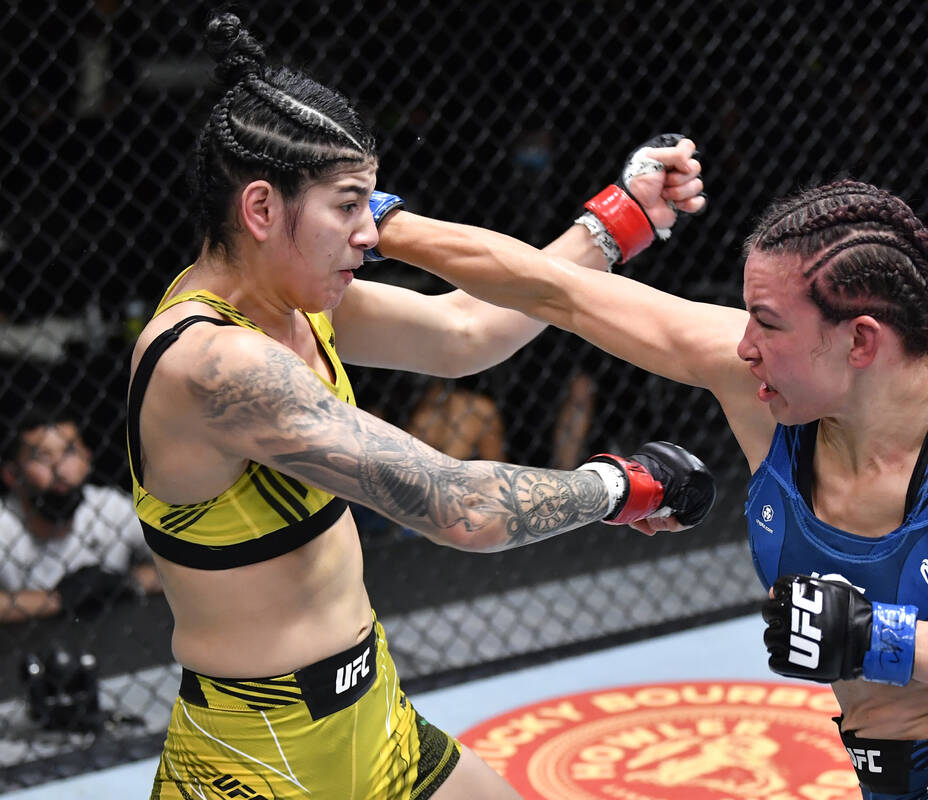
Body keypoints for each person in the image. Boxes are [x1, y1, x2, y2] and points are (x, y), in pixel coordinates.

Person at [130, 13, 714, 800]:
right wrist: (622, 485)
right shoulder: (212, 363)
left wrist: (618, 220)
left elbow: (465, 330)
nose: (371, 234)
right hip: (260, 767)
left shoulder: (295, 303)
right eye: (347, 206)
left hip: (374, 720)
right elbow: (460, 506)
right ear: (262, 210)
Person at [388, 179, 928, 798]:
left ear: (860, 341)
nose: (743, 347)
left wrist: (877, 638)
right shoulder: (766, 390)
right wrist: (379, 219)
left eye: (766, 325)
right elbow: (556, 290)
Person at [1, 407, 160, 623]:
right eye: (42, 457)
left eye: (69, 452)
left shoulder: (108, 507)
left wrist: (127, 582)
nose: (60, 469)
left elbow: (185, 560)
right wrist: (56, 600)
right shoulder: (4, 525)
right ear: (12, 474)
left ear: (87, 459)